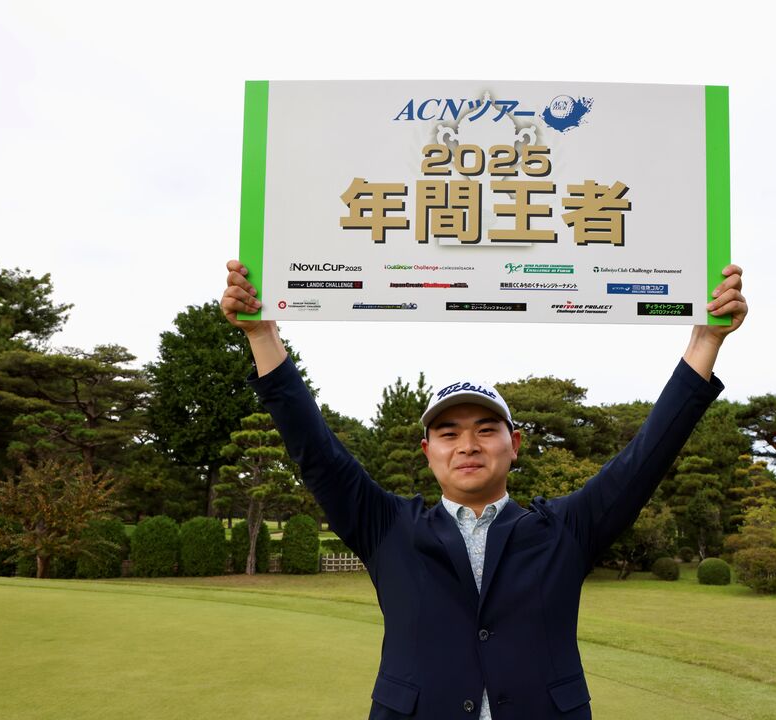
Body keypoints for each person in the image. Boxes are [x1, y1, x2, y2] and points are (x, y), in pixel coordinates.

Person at [221, 260, 746, 719]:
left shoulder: (563, 530)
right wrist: (262, 335)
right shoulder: (389, 528)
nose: (468, 445)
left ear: (513, 445)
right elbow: (317, 453)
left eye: (486, 430)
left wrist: (705, 342)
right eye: (449, 433)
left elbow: (646, 459)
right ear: (427, 451)